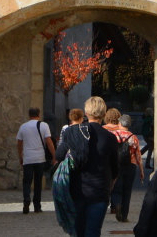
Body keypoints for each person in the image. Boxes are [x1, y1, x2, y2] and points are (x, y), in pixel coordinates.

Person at [56, 95, 121, 237]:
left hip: (76, 189)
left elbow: (58, 156)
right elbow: (115, 168)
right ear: (104, 114)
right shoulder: (110, 138)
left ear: (86, 113)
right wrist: (110, 186)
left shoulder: (72, 132)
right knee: (93, 232)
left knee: (78, 231)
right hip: (99, 191)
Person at [104, 109, 142, 221]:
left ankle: (117, 204)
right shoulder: (133, 137)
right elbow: (138, 155)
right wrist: (142, 170)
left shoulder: (113, 135)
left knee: (116, 187)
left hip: (116, 164)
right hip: (130, 165)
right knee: (127, 190)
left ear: (120, 123)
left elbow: (108, 151)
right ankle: (124, 216)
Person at [16, 106, 55, 213]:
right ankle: (37, 206)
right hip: (39, 158)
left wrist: (20, 156)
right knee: (38, 182)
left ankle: (26, 200)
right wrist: (54, 155)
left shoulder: (23, 127)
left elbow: (19, 143)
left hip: (28, 158)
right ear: (38, 114)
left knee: (27, 181)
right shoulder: (44, 125)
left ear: (29, 115)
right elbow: (49, 141)